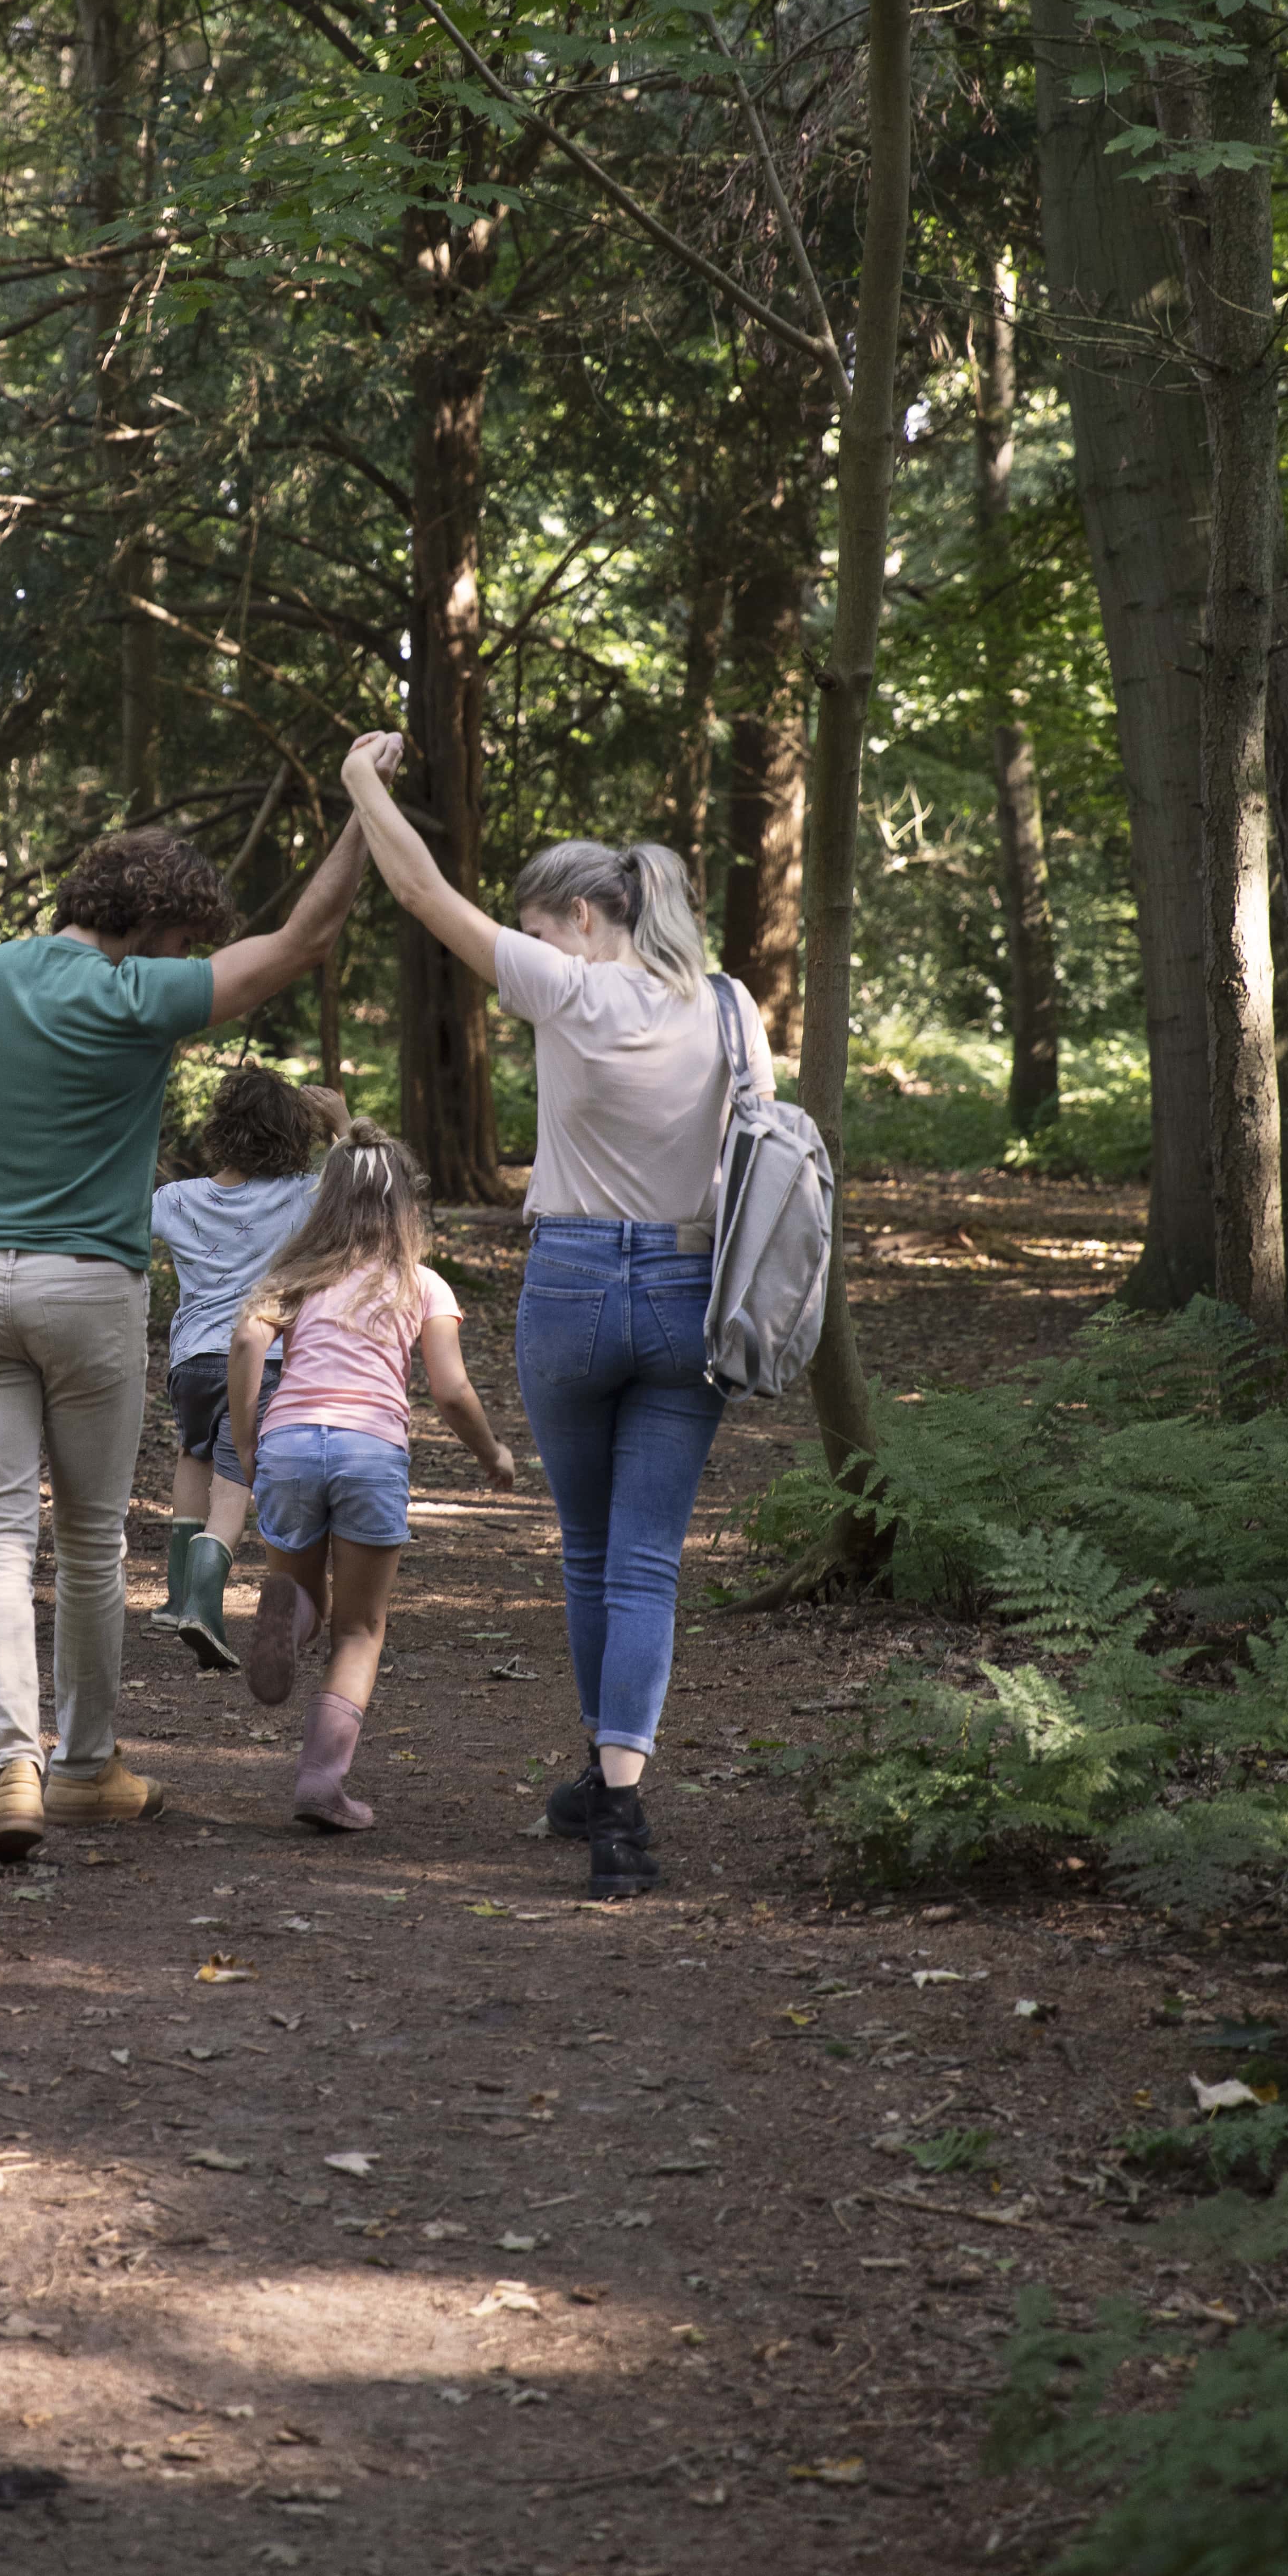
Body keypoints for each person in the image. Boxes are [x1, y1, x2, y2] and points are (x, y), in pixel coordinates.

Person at [0, 813, 374, 1866]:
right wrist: (360, 807)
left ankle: (7, 1774)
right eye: (182, 942)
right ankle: (83, 1769)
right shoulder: (139, 993)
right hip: (88, 1291)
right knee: (85, 1538)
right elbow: (306, 937)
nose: (184, 964)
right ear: (157, 926)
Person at [338, 729, 774, 1900]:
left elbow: (421, 891)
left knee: (587, 1552)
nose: (525, 948)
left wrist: (357, 784)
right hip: (693, 1295)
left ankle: (599, 1776)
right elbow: (761, 1161)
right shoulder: (734, 1012)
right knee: (645, 1562)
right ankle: (619, 1805)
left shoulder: (570, 989)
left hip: (573, 1287)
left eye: (534, 927)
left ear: (584, 918)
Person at [227, 1119, 515, 1832]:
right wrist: (492, 1456)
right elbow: (450, 1390)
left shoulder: (295, 1278)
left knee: (299, 1594)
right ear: (406, 1211)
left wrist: (247, 1441)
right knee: (359, 1627)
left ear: (326, 1204)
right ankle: (321, 1785)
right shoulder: (422, 1285)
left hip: (290, 1442)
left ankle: (282, 1634)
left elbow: (244, 1338)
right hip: (370, 1450)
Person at [146, 1066, 350, 1670]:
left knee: (193, 1454)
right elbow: (361, 1187)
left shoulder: (175, 1200)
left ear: (221, 1130)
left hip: (190, 1361)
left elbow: (122, 1227)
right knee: (235, 1486)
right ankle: (204, 1607)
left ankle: (177, 1591)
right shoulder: (300, 1196)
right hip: (259, 1361)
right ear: (292, 1133)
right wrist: (341, 1123)